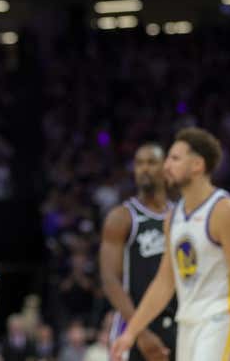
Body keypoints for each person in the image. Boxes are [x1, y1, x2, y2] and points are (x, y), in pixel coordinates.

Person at [111, 127, 230, 361]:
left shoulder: (226, 211)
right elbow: (164, 283)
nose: (166, 165)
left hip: (221, 317)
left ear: (197, 165)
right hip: (188, 321)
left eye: (175, 158)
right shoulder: (173, 217)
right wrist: (131, 332)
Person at [100, 144, 176, 361]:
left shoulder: (181, 215)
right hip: (132, 324)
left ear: (165, 168)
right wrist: (139, 333)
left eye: (151, 162)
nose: (144, 169)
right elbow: (110, 280)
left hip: (176, 321)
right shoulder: (122, 217)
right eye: (139, 163)